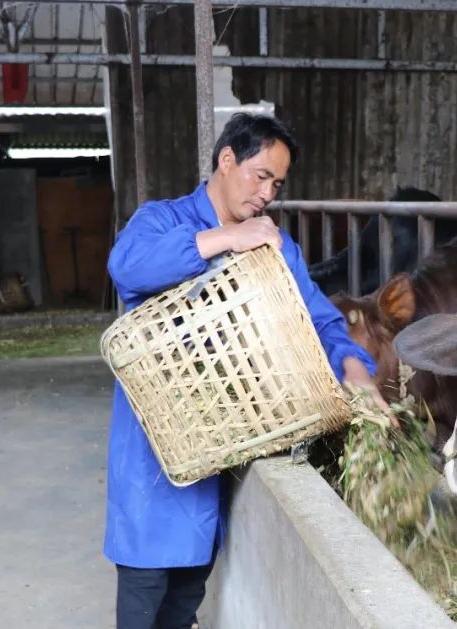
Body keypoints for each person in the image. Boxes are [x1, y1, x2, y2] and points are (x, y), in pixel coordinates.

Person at [104, 113, 387, 629]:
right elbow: (128, 267)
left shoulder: (277, 248)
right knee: (142, 605)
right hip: (154, 454)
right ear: (226, 160)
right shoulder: (162, 220)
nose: (267, 194)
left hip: (223, 448)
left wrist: (355, 369)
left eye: (277, 184)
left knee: (185, 601)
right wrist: (226, 240)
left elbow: (320, 319)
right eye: (260, 176)